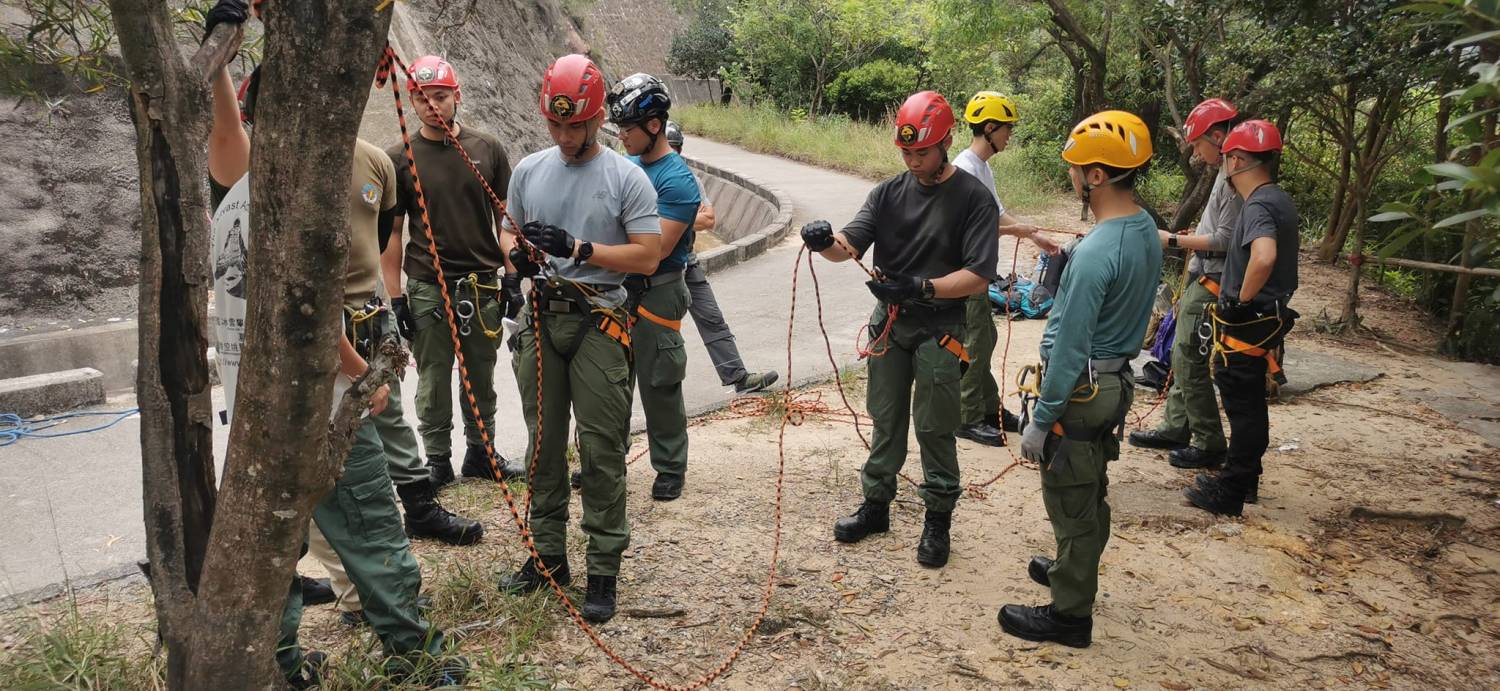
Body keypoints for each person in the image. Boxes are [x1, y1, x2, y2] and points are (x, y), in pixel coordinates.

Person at [205, 44, 462, 687]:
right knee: (372, 529)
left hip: (250, 412)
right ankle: (413, 653)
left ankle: (281, 665)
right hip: (319, 400)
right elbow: (310, 314)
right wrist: (361, 377)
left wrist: (219, 58)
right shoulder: (301, 203)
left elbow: (226, 129)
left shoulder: (235, 187)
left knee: (274, 547)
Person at [801, 91, 999, 569]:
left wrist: (923, 287)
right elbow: (849, 245)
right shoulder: (887, 194)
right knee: (885, 418)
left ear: (946, 142)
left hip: (938, 327)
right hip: (890, 326)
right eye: (906, 152)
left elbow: (978, 274)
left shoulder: (973, 199)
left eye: (922, 152)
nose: (913, 161)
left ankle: (938, 518)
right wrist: (825, 241)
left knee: (935, 426)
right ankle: (876, 505)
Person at [497, 54, 662, 624]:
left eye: (577, 126)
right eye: (556, 125)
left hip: (598, 319)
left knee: (599, 448)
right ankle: (546, 557)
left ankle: (603, 567)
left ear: (598, 120)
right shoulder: (528, 170)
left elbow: (647, 253)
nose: (566, 137)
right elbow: (508, 231)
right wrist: (515, 261)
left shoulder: (626, 176)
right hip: (541, 317)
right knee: (542, 445)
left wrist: (580, 248)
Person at [1002, 110, 1162, 649]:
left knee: (1070, 495)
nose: (1071, 175)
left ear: (1096, 176)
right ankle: (1073, 567)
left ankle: (1069, 616)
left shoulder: (1096, 254)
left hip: (1082, 389)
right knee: (1090, 487)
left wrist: (1041, 421)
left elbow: (1069, 348)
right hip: (1114, 382)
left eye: (1075, 168)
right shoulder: (1142, 229)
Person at [382, 55, 524, 486]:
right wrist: (396, 295)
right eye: (422, 99)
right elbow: (392, 234)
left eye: (440, 97)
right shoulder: (399, 158)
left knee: (479, 373)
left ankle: (481, 453)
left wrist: (513, 274)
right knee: (433, 376)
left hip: (480, 284)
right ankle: (438, 459)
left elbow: (507, 220)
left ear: (456, 96)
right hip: (428, 284)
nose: (432, 106)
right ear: (411, 103)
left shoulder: (487, 150)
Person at [1184, 120, 1298, 517]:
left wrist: (1241, 301)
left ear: (1234, 160)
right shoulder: (1278, 198)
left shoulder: (1259, 205)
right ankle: (1243, 479)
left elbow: (1263, 256)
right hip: (1266, 317)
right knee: (1249, 406)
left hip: (1250, 320)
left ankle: (1232, 489)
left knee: (1244, 408)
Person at [1128, 98, 1243, 477]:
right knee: (1179, 353)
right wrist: (1196, 237)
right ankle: (1177, 426)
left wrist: (1174, 241)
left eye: (1198, 143)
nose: (1195, 152)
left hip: (1214, 280)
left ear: (1217, 135)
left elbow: (1226, 240)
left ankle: (1208, 441)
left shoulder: (1234, 179)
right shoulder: (1224, 171)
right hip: (1202, 275)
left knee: (1190, 357)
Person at [952, 91, 1061, 447]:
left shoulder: (982, 169)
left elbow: (996, 214)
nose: (1009, 135)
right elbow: (966, 226)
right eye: (1007, 128)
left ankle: (987, 407)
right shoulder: (964, 168)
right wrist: (1015, 230)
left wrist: (1035, 236)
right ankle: (967, 417)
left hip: (980, 272)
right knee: (975, 344)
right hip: (965, 274)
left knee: (987, 338)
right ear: (989, 127)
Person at [609, 74, 698, 501]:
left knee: (660, 383)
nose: (622, 136)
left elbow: (656, 249)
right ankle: (609, 459)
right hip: (619, 288)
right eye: (620, 129)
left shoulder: (677, 181)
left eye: (628, 128)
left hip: (658, 289)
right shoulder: (626, 166)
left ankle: (669, 465)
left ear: (654, 126)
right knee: (610, 380)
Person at [664, 120, 780, 395]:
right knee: (653, 333)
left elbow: (709, 219)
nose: (672, 154)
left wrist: (674, 216)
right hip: (653, 269)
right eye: (668, 148)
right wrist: (684, 215)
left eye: (676, 149)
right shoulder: (641, 176)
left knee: (712, 317)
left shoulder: (689, 179)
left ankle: (738, 376)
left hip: (686, 261)